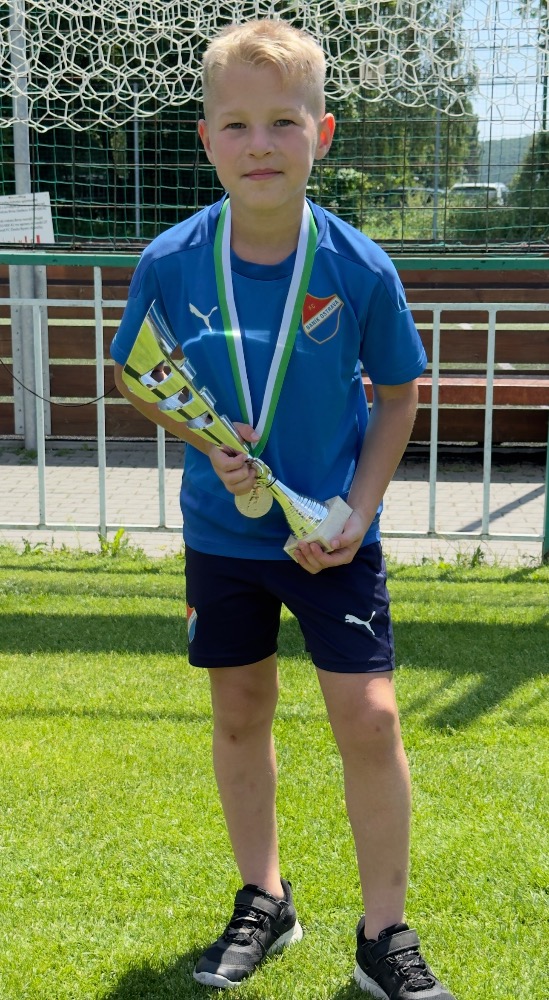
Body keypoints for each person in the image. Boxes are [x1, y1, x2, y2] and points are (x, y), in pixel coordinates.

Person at [110, 18, 455, 1000]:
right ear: (206, 140)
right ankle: (265, 898)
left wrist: (358, 511)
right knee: (239, 712)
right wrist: (203, 440)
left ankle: (384, 933)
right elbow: (136, 373)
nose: (259, 145)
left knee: (371, 718)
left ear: (322, 134)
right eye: (236, 124)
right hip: (225, 538)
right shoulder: (172, 260)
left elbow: (399, 397)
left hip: (330, 538)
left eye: (282, 123)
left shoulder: (359, 266)